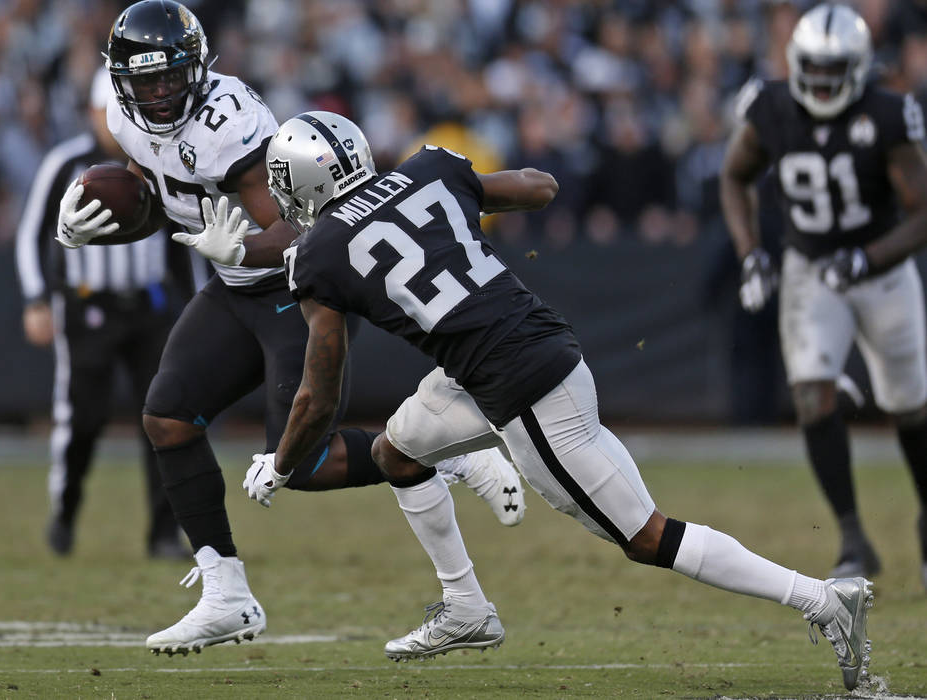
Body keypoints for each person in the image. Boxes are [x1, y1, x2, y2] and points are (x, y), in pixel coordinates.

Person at [198, 109, 876, 691]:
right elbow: (538, 186)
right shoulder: (429, 168)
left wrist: (283, 461)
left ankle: (821, 599)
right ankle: (466, 608)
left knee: (645, 536)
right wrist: (472, 200)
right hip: (507, 355)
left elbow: (320, 391)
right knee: (397, 453)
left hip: (522, 389)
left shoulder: (320, 253)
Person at [54, 0, 525, 655]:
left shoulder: (229, 126)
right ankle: (225, 594)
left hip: (298, 291)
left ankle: (441, 452)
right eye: (145, 81)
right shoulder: (121, 117)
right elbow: (160, 198)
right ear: (122, 79)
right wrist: (97, 229)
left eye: (170, 78)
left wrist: (243, 252)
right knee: (166, 416)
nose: (159, 94)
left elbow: (302, 227)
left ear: (197, 69)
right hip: (236, 288)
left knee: (300, 464)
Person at [720, 3, 927, 586]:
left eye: (835, 68)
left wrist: (868, 257)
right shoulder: (771, 107)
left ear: (860, 67)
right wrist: (749, 253)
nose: (822, 80)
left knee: (911, 407)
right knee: (812, 395)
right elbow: (733, 175)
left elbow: (923, 211)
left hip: (881, 270)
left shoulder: (886, 114)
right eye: (812, 66)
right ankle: (854, 538)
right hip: (812, 268)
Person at [15, 69, 195, 559]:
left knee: (164, 418)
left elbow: (184, 236)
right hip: (88, 306)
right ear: (94, 112)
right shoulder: (65, 163)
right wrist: (37, 297)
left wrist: (195, 303)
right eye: (106, 111)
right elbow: (33, 234)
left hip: (151, 306)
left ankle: (162, 532)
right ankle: (65, 513)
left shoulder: (158, 158)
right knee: (83, 418)